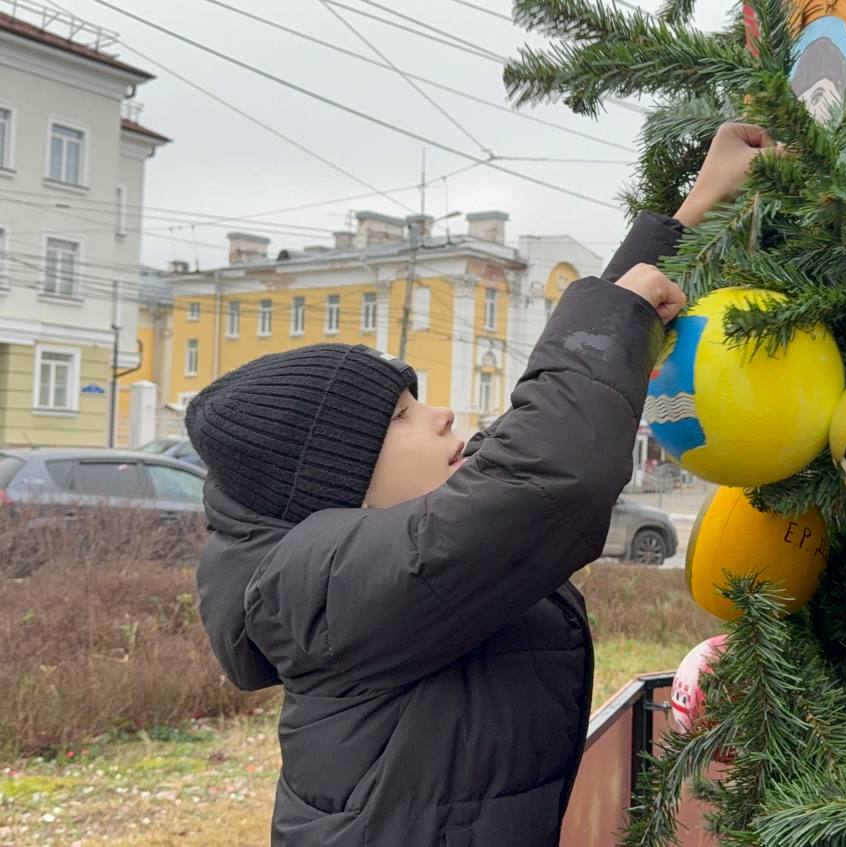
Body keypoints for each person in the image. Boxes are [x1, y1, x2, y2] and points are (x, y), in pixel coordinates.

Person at [190, 122, 777, 846]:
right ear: (339, 478)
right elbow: (548, 471)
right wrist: (616, 315)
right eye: (403, 415)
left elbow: (530, 428)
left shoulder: (338, 566)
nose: (442, 416)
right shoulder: (321, 585)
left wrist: (692, 210)